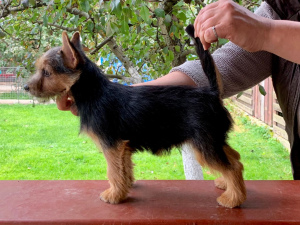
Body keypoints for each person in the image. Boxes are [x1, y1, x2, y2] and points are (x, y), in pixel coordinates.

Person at [57, 0, 300, 180]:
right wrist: (115, 99)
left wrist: (267, 31)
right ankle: (230, 170)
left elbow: (260, 39)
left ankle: (231, 176)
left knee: (211, 156)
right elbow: (229, 66)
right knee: (218, 151)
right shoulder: (282, 7)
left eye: (47, 73)